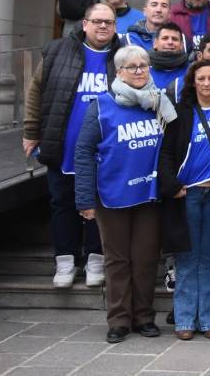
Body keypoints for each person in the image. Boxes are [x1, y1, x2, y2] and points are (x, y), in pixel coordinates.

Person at [74, 45, 172, 343]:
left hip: (149, 195)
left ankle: (143, 316)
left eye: (144, 65)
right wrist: (85, 199)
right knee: (117, 260)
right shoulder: (102, 105)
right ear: (119, 72)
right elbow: (84, 151)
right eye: (133, 67)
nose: (140, 71)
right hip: (111, 195)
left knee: (144, 259)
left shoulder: (160, 103)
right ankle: (118, 319)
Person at [23, 2, 120, 288]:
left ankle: (95, 258)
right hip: (62, 144)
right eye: (98, 21)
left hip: (105, 150)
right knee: (62, 203)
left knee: (99, 203)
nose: (103, 26)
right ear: (85, 24)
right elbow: (36, 90)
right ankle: (64, 261)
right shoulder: (57, 51)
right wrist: (31, 131)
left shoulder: (122, 56)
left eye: (109, 22)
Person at [158, 59, 210, 340]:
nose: (206, 84)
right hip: (187, 194)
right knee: (187, 257)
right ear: (193, 82)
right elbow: (165, 152)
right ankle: (185, 319)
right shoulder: (180, 113)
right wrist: (172, 185)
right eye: (201, 78)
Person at [148, 24, 190, 92]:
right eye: (165, 38)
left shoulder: (190, 71)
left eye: (174, 39)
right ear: (155, 43)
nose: (170, 42)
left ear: (181, 45)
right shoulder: (143, 69)